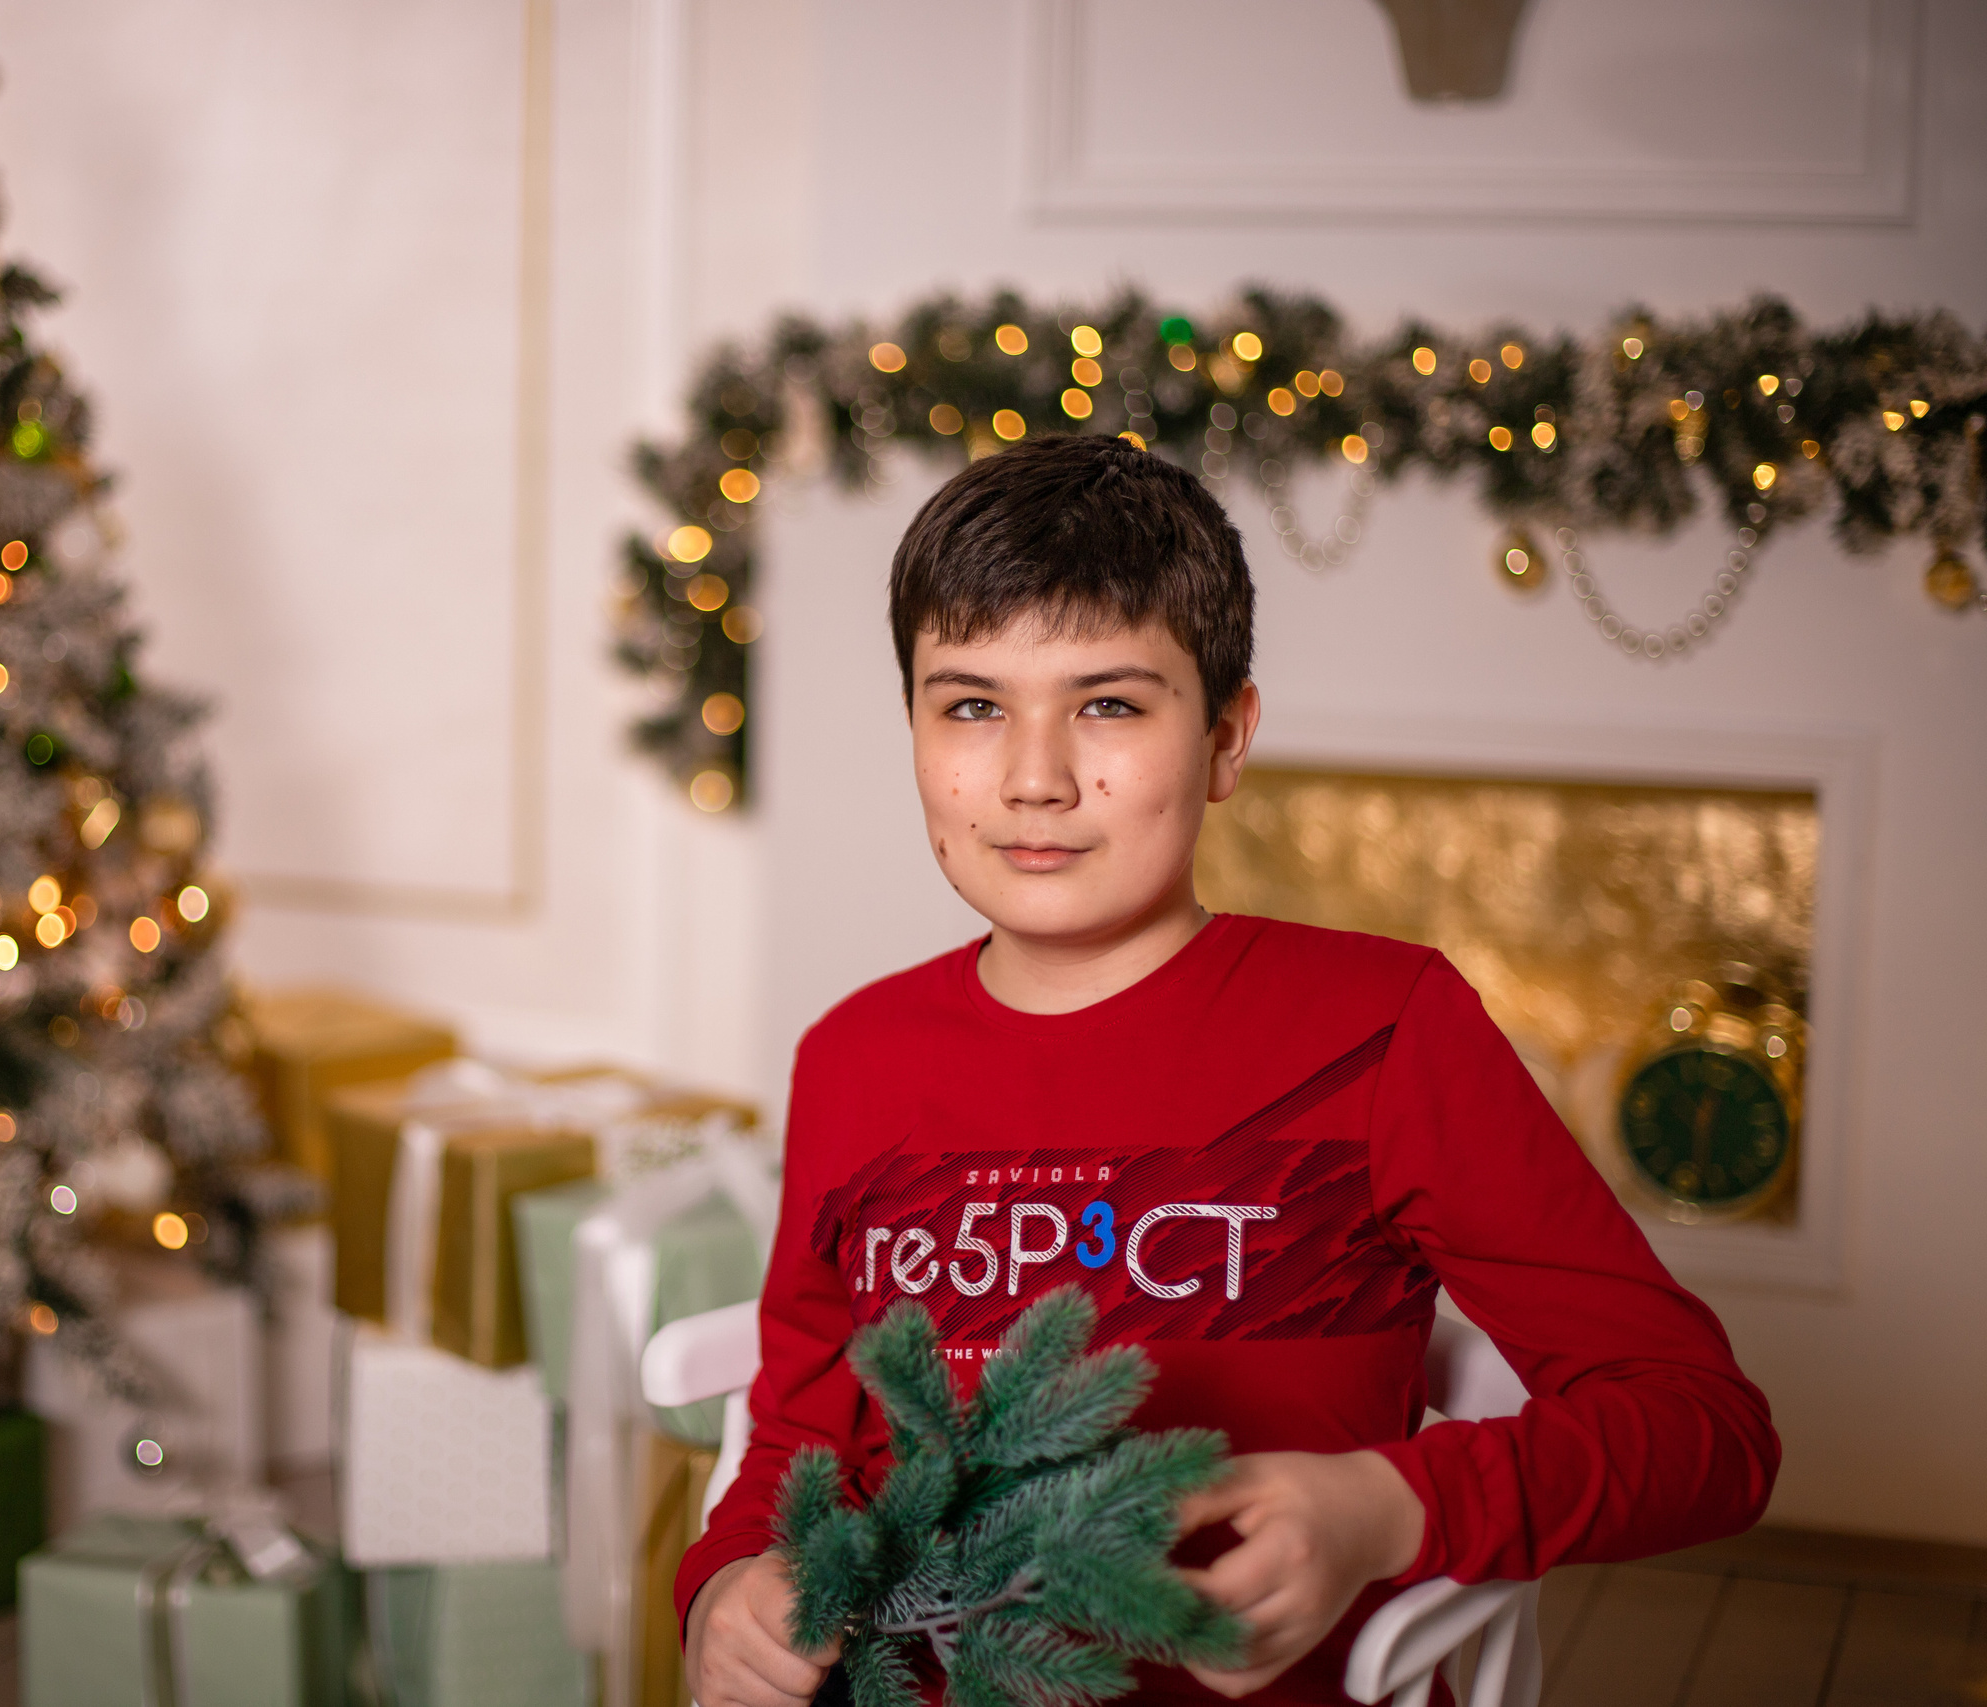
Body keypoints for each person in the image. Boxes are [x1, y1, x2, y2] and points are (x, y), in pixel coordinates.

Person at [675, 435, 1779, 1705]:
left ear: (1226, 738)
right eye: (972, 705)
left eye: (1109, 704)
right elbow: (804, 1439)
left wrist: (1391, 1504)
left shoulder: (1380, 1030)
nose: (1033, 780)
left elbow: (1707, 1428)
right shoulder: (855, 1058)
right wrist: (722, 1586)